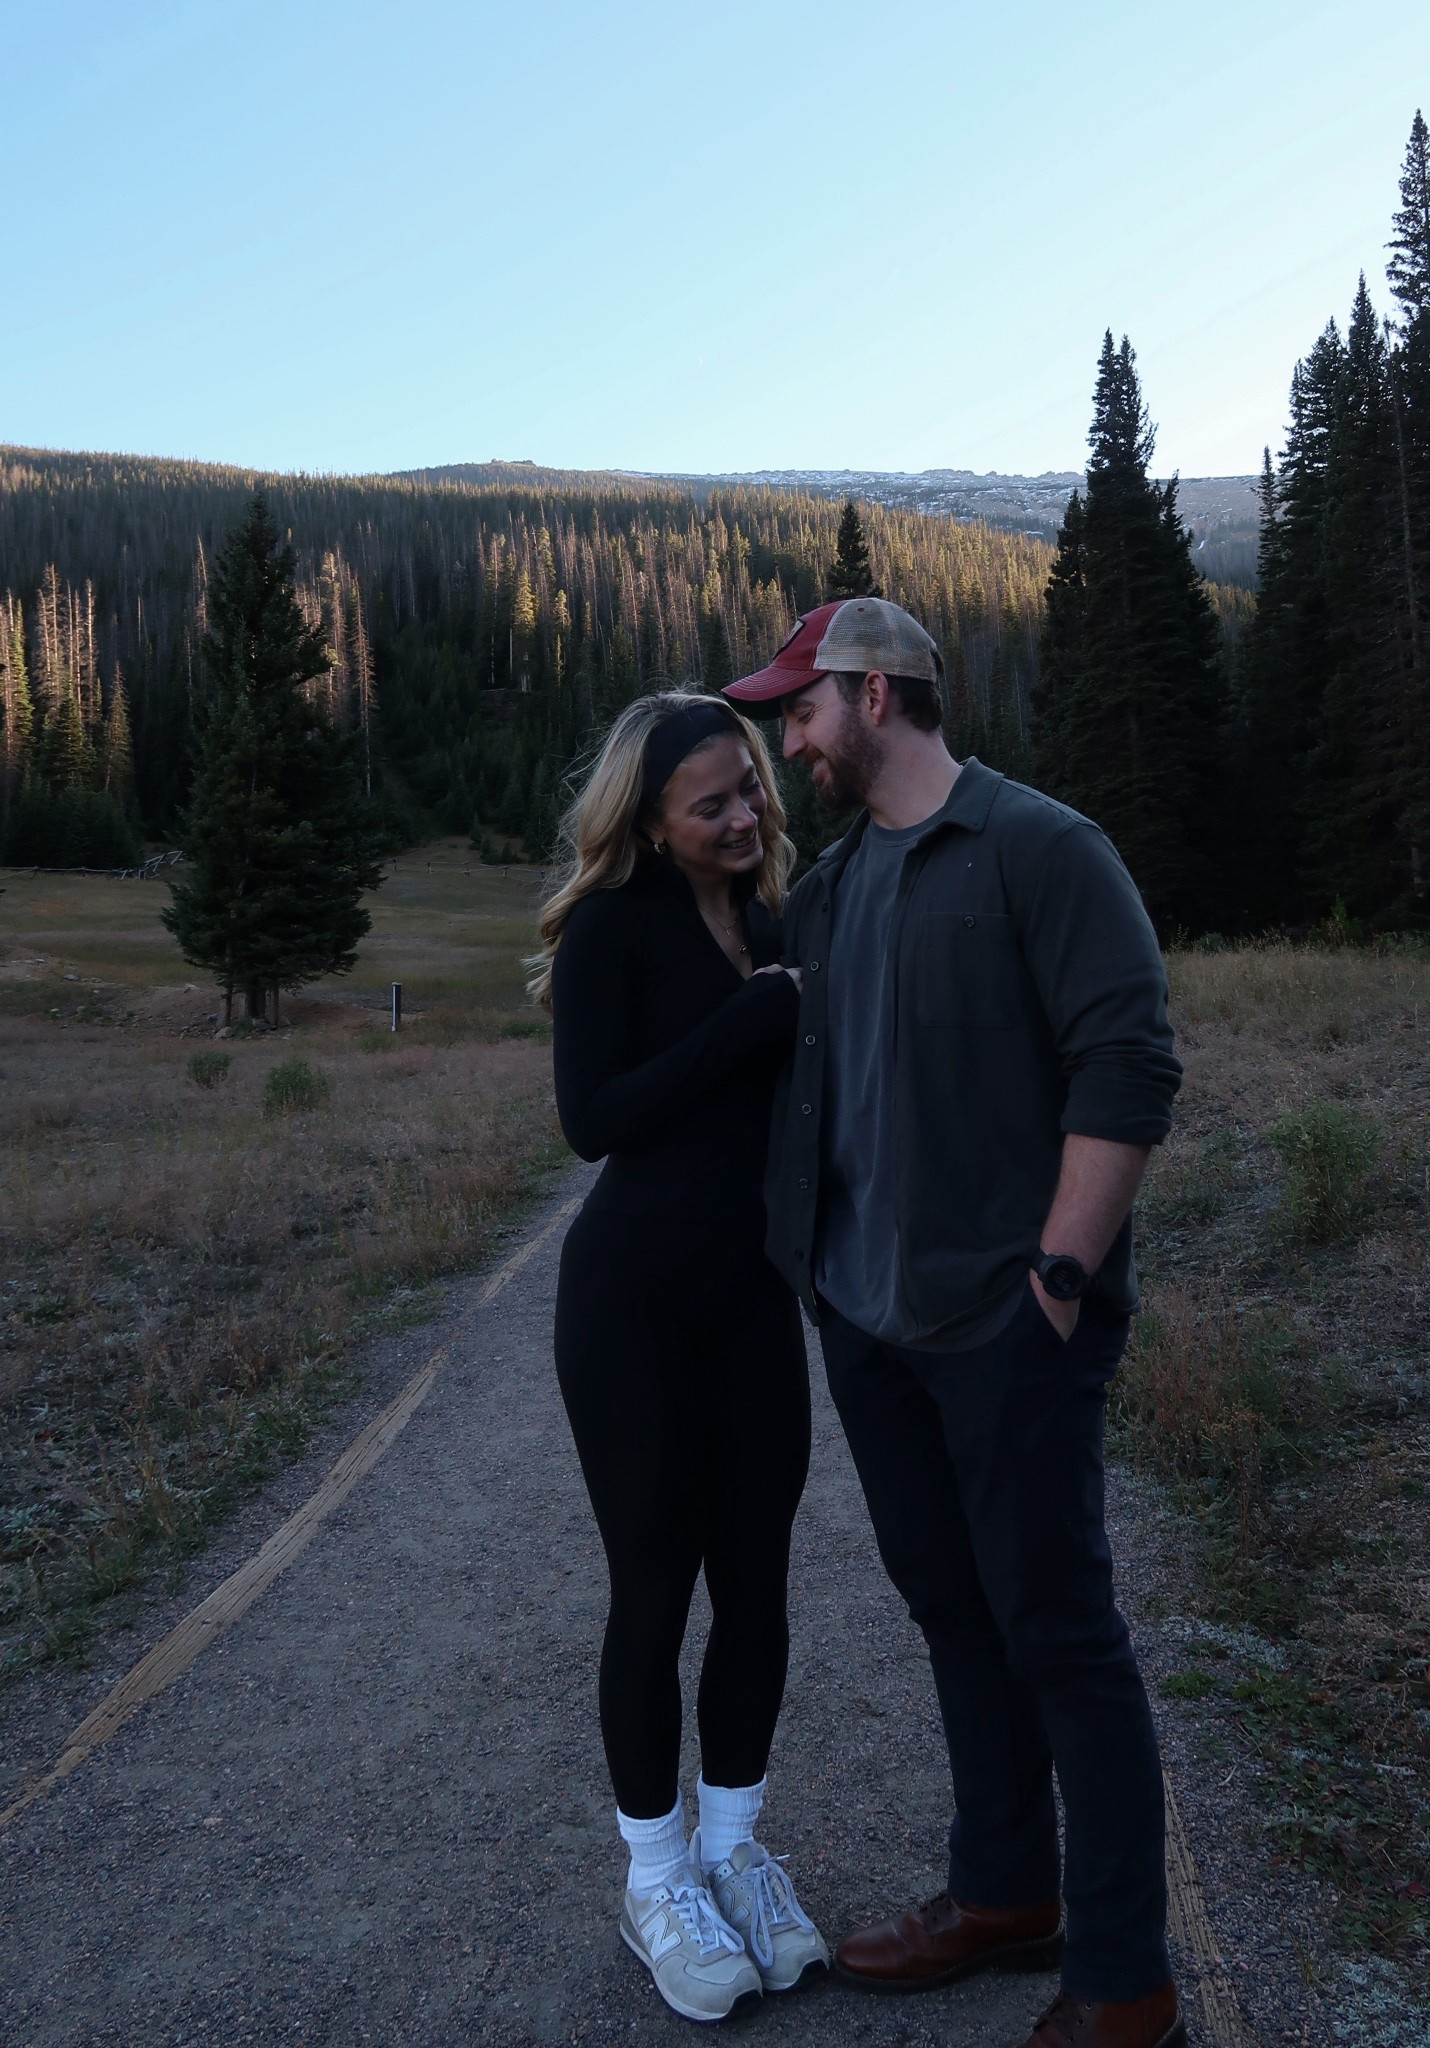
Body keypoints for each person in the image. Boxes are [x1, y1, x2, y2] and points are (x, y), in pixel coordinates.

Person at [724, 600, 1187, 2048]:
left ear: (874, 694)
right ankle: (1004, 1895)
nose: (788, 740)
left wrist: (1055, 1284)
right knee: (951, 1611)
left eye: (800, 710)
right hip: (869, 1326)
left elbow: (1129, 1066)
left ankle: (1123, 1982)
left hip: (1009, 1332)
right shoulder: (834, 889)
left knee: (1060, 1632)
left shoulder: (1044, 849)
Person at [528, 692, 828, 2023]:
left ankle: (730, 1852)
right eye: (712, 805)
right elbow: (594, 1120)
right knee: (655, 1590)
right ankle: (654, 1879)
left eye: (751, 791)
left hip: (753, 1304)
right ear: (649, 820)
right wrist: (744, 1027)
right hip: (632, 1313)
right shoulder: (613, 929)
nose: (745, 817)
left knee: (757, 1588)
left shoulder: (768, 919)